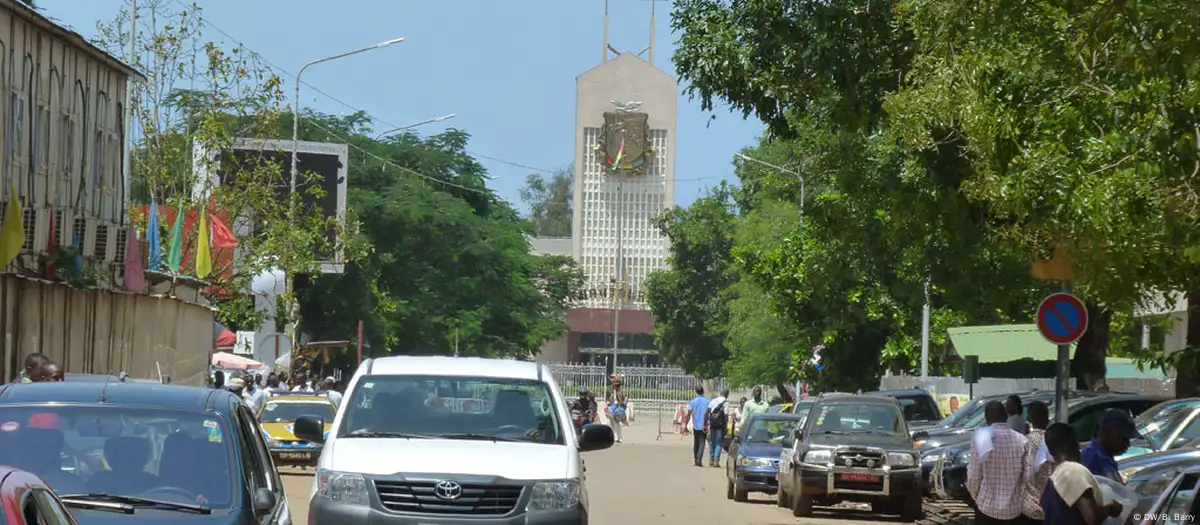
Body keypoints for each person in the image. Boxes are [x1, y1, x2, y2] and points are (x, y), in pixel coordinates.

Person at [1040, 422, 1123, 525]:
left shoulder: (1053, 479)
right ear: (1071, 444)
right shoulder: (1073, 471)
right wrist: (1111, 507)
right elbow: (1091, 517)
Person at [967, 401, 1028, 525]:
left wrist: (977, 497)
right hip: (1013, 511)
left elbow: (974, 477)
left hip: (986, 508)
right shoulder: (1022, 440)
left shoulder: (981, 437)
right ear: (1006, 417)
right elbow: (1027, 476)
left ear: (986, 418)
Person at [1081, 409, 1139, 483]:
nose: (1127, 444)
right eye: (1124, 438)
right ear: (1107, 432)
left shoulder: (1107, 458)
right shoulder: (1090, 459)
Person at [1020, 401, 1051, 525]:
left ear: (1030, 418)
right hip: (1050, 504)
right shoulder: (1054, 439)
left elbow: (1026, 475)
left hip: (1030, 507)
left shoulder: (1029, 441)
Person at [685, 386, 709, 467]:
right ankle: (699, 459)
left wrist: (685, 425)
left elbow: (688, 414)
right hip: (704, 425)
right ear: (703, 392)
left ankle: (696, 459)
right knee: (702, 443)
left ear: (696, 392)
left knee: (696, 443)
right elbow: (709, 413)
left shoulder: (693, 401)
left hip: (696, 425)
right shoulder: (707, 401)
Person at [706, 388, 730, 467]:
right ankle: (716, 460)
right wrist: (726, 426)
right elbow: (726, 415)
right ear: (727, 395)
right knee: (719, 442)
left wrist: (707, 422)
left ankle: (711, 460)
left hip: (712, 424)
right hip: (720, 425)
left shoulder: (713, 400)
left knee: (712, 442)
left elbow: (708, 411)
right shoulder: (726, 402)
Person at [607, 375, 628, 443]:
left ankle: (618, 437)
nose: (615, 386)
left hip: (618, 409)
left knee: (617, 423)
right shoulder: (612, 392)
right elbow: (609, 400)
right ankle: (617, 437)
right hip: (612, 408)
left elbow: (622, 401)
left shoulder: (620, 392)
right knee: (614, 423)